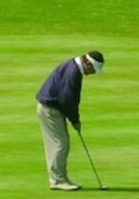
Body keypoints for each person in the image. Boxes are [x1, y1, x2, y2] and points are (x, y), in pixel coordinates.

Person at [35, 50, 104, 191]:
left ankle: (58, 179)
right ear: (87, 63)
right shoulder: (73, 72)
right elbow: (67, 100)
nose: (92, 74)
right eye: (92, 69)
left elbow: (70, 99)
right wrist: (75, 120)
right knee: (60, 143)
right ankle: (58, 180)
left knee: (59, 143)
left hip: (50, 108)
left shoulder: (74, 68)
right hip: (50, 109)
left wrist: (74, 118)